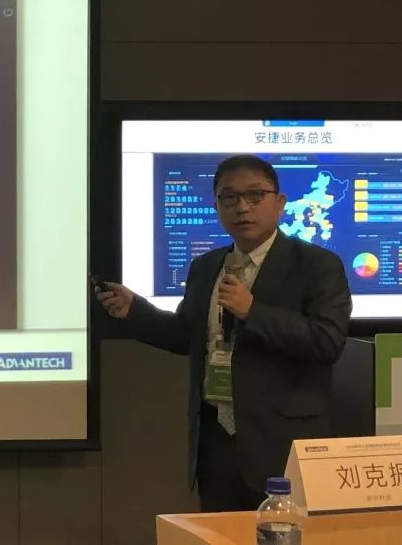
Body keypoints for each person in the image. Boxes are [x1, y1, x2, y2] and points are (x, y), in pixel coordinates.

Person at [96, 154, 352, 512]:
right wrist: (135, 311)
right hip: (216, 442)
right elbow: (185, 336)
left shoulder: (317, 265)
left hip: (280, 443)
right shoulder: (206, 267)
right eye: (229, 197)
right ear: (217, 206)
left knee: (283, 533)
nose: (242, 207)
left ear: (279, 203)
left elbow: (327, 341)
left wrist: (253, 312)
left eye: (255, 195)